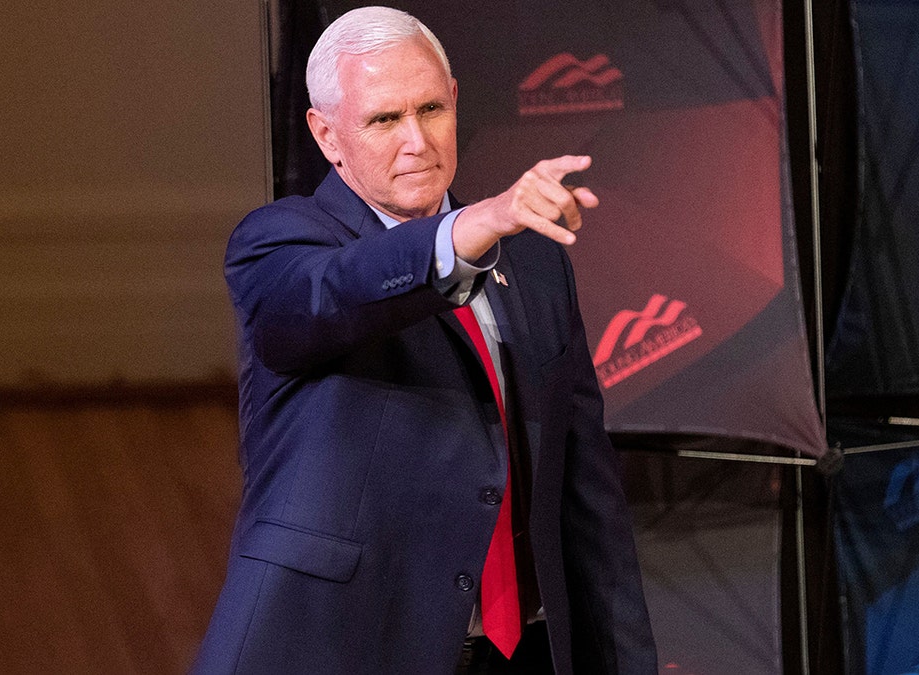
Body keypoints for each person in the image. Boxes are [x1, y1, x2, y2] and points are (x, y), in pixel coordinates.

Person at [194, 6, 656, 674]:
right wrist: (476, 224)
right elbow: (340, 290)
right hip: (344, 651)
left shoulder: (533, 260)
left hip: (521, 648)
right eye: (384, 119)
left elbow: (588, 496)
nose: (417, 140)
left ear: (456, 103)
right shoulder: (279, 244)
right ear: (327, 135)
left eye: (431, 109)